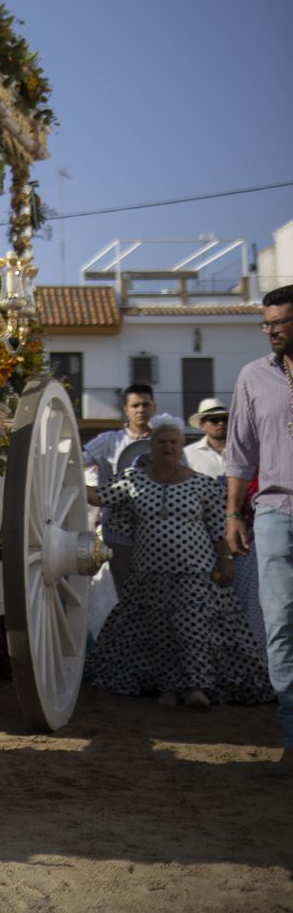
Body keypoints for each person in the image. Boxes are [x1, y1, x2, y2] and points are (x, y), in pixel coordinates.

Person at [88, 415, 271, 709]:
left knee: (193, 627)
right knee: (160, 632)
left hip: (195, 572)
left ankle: (198, 688)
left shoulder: (201, 484)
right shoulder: (133, 480)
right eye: (161, 442)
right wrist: (67, 477)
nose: (168, 447)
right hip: (150, 573)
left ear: (181, 447)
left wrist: (225, 560)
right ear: (152, 447)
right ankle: (171, 688)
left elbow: (217, 527)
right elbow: (99, 496)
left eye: (173, 442)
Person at [225, 284, 293, 773]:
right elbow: (240, 453)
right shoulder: (252, 376)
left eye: (279, 322)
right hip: (273, 512)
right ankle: (292, 738)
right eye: (265, 324)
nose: (270, 331)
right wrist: (233, 514)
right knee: (281, 627)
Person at [84, 383, 155, 588]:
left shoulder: (164, 442)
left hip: (157, 531)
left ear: (154, 407)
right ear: (126, 409)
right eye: (135, 405)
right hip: (117, 532)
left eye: (145, 404)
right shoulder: (108, 441)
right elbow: (76, 462)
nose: (141, 410)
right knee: (122, 589)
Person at [185, 398, 230, 477]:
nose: (221, 423)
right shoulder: (187, 454)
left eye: (225, 419)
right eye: (214, 420)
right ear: (202, 425)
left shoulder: (243, 451)